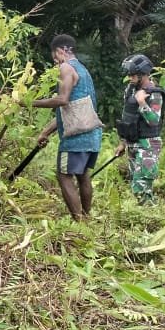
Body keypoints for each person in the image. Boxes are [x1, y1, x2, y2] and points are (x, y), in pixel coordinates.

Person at [32, 34, 103, 220]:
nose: (56, 62)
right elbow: (75, 109)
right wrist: (45, 132)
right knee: (82, 175)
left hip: (75, 138)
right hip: (92, 133)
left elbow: (62, 101)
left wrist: (29, 102)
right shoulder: (84, 70)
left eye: (55, 56)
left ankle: (79, 221)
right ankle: (86, 218)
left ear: (62, 50)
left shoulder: (66, 67)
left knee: (64, 175)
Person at [115, 54, 165, 204]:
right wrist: (123, 143)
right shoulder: (130, 91)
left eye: (133, 74)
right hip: (132, 143)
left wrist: (142, 103)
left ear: (143, 74)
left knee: (141, 186)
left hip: (148, 145)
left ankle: (149, 219)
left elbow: (154, 121)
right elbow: (128, 118)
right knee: (136, 186)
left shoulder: (155, 94)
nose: (130, 77)